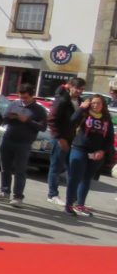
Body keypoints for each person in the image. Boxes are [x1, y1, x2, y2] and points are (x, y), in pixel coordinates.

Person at [0, 83, 48, 207]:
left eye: (25, 98)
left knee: (20, 170)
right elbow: (4, 119)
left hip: (24, 142)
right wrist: (9, 117)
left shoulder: (39, 109)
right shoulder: (14, 104)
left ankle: (18, 196)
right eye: (21, 97)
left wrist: (27, 120)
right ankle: (4, 191)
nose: (23, 100)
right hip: (8, 139)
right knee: (5, 167)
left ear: (31, 96)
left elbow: (43, 127)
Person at [64, 94, 113, 217]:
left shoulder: (107, 118)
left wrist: (102, 151)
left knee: (86, 179)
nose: (95, 105)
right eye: (93, 103)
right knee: (75, 177)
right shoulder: (84, 114)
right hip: (79, 149)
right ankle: (69, 205)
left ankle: (80, 204)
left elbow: (109, 138)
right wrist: (81, 108)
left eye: (98, 103)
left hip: (96, 153)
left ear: (103, 105)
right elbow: (72, 121)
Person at [46, 77, 85, 206]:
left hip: (73, 138)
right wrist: (59, 137)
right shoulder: (62, 100)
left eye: (82, 89)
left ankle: (72, 197)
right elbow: (51, 119)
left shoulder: (79, 101)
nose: (79, 91)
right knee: (56, 167)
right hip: (61, 138)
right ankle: (52, 194)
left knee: (71, 168)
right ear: (70, 86)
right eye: (77, 88)